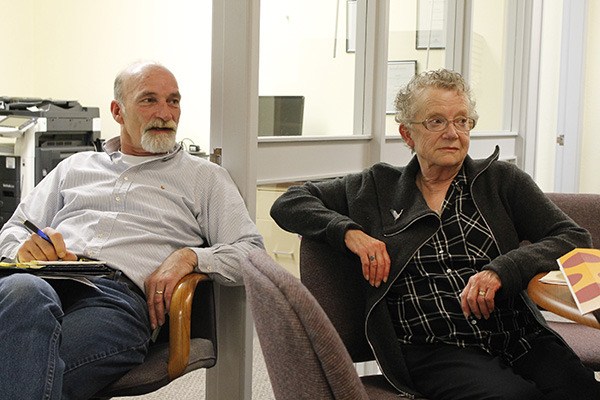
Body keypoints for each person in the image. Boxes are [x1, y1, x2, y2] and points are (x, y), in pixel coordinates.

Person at [270, 69, 599, 399]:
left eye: (462, 121)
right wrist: (349, 232)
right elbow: (289, 202)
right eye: (436, 121)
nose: (452, 133)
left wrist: (502, 271)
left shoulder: (501, 181)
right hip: (435, 347)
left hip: (517, 335)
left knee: (584, 391)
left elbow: (572, 237)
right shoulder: (376, 188)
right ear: (407, 133)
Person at [0, 61, 264, 399]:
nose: (165, 113)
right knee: (22, 291)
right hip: (42, 282)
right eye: (149, 100)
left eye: (174, 101)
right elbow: (13, 230)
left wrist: (190, 257)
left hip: (114, 301)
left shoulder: (203, 177)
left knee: (25, 367)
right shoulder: (74, 168)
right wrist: (25, 248)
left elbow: (251, 252)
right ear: (118, 111)